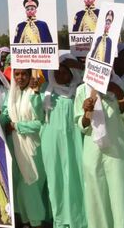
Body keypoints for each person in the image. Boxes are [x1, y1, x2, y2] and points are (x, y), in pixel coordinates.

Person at [74, 69, 124, 227]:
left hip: (118, 153)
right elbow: (81, 126)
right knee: (97, 202)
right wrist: (87, 113)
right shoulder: (82, 89)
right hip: (93, 154)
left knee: (121, 201)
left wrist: (119, 95)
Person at [41, 53, 87, 228]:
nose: (60, 75)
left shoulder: (80, 91)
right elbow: (37, 113)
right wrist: (34, 92)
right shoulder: (46, 92)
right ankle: (61, 222)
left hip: (76, 143)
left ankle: (79, 221)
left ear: (72, 73)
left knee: (76, 180)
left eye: (64, 71)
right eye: (56, 72)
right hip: (52, 145)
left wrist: (79, 65)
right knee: (57, 181)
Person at [0, 68, 48, 228]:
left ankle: (37, 222)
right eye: (17, 74)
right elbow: (7, 114)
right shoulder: (12, 93)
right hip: (17, 147)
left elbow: (40, 124)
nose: (20, 77)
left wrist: (16, 126)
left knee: (30, 187)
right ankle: (26, 221)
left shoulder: (35, 93)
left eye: (24, 74)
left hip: (34, 148)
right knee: (20, 188)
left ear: (30, 75)